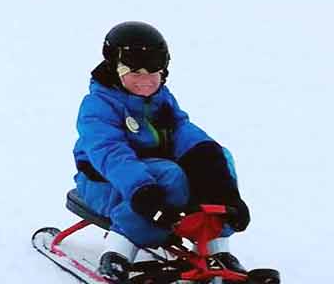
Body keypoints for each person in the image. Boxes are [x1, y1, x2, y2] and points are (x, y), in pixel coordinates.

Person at [75, 21, 252, 280]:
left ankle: (216, 249)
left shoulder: (162, 99)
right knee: (170, 174)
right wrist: (142, 191)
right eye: (135, 73)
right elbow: (110, 154)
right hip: (105, 183)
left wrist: (223, 188)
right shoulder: (97, 106)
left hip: (155, 180)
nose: (145, 82)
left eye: (153, 73)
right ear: (115, 70)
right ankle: (118, 250)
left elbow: (185, 132)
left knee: (218, 158)